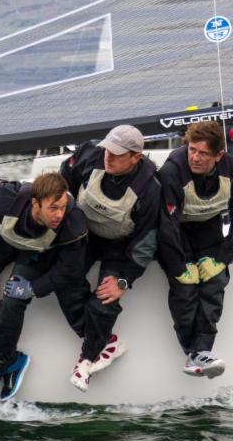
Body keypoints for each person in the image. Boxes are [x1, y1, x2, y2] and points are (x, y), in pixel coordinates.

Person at [0, 172, 88, 401]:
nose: (59, 214)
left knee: (13, 299)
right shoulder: (0, 197)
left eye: (62, 207)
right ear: (35, 203)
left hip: (36, 252)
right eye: (53, 208)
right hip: (2, 238)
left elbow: (69, 269)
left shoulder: (72, 219)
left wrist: (34, 288)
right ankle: (12, 358)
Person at [59, 125, 160, 391]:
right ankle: (105, 342)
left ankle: (86, 360)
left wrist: (124, 282)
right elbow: (63, 181)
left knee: (104, 300)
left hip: (120, 247)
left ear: (135, 157)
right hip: (85, 236)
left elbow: (146, 243)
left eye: (116, 154)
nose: (108, 157)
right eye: (107, 150)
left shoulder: (150, 188)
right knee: (62, 278)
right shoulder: (91, 156)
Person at [157, 120, 233, 378]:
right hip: (176, 234)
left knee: (214, 282)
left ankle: (202, 351)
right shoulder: (171, 172)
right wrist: (179, 267)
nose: (195, 158)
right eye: (192, 150)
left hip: (208, 230)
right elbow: (166, 227)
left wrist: (222, 258)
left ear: (218, 155)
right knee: (185, 289)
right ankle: (194, 351)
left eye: (202, 153)